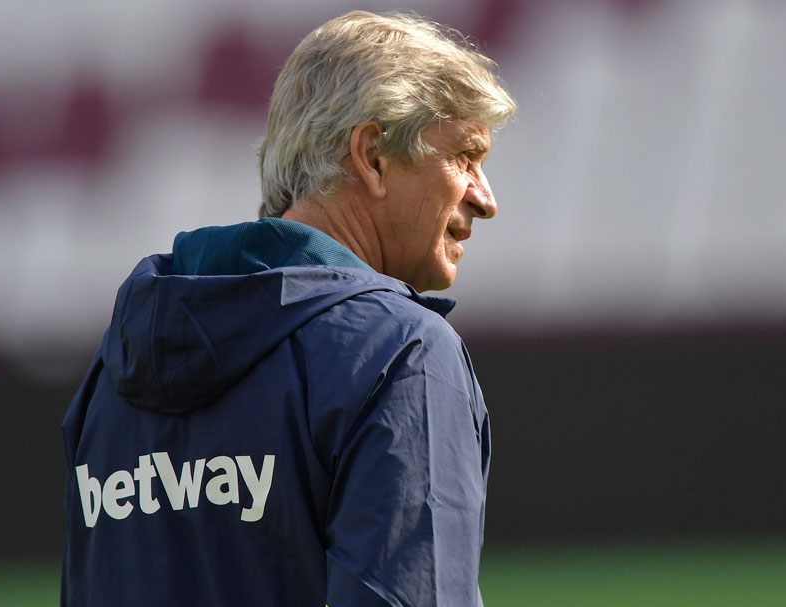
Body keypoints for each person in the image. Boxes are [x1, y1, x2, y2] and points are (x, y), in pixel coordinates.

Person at [61, 10, 515, 607]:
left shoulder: (112, 373)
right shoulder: (403, 355)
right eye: (465, 155)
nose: (486, 200)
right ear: (373, 155)